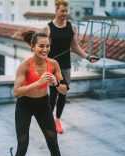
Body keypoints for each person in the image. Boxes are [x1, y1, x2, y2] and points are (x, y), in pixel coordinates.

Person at [13, 30, 68, 156]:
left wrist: (56, 83)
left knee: (53, 145)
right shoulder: (24, 65)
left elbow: (64, 91)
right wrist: (38, 83)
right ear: (33, 47)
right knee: (22, 146)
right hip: (24, 105)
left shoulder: (53, 64)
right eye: (41, 46)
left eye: (48, 46)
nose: (45, 49)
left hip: (43, 105)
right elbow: (16, 92)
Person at [43, 0, 98, 134]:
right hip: (52, 66)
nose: (65, 13)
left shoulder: (72, 27)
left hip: (66, 66)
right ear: (56, 11)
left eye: (67, 11)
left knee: (63, 94)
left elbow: (75, 47)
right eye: (62, 11)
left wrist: (87, 56)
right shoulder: (48, 28)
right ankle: (49, 122)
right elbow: (45, 49)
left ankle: (57, 121)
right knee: (53, 95)